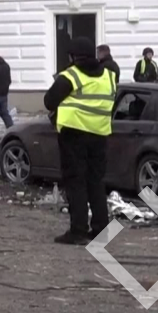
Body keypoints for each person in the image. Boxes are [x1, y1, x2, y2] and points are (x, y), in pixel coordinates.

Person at [43, 37, 115, 245]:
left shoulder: (70, 76)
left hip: (74, 134)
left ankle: (78, 231)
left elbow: (49, 101)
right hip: (100, 134)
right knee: (96, 181)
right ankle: (100, 229)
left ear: (73, 57)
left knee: (76, 182)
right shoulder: (109, 76)